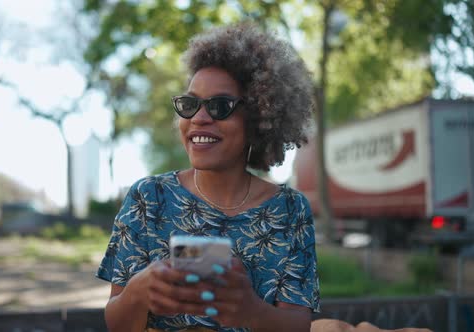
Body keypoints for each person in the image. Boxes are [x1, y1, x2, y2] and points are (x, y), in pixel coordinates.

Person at [96, 22, 319, 331]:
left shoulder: (291, 210)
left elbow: (299, 326)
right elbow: (116, 323)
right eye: (190, 104)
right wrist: (137, 294)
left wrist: (251, 310)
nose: (199, 119)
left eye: (219, 106)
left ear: (257, 117)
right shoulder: (148, 198)